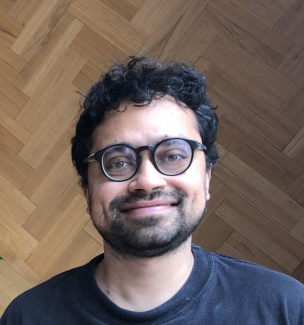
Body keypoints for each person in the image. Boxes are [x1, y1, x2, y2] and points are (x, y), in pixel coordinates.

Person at [1, 57, 304, 325]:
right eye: (118, 162)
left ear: (207, 178)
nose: (147, 181)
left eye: (173, 156)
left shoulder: (286, 307)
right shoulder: (27, 317)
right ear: (86, 190)